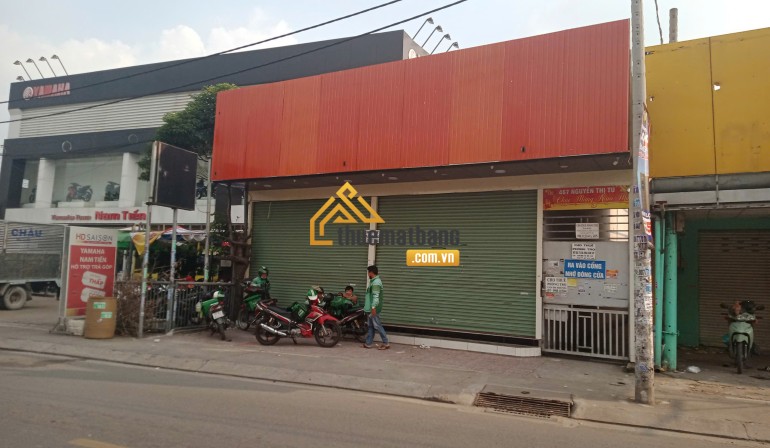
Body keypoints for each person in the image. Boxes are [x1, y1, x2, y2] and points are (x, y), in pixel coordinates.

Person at [363, 265, 389, 350]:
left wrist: (373, 307)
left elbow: (376, 296)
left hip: (374, 309)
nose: (368, 274)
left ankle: (385, 343)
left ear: (371, 272)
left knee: (377, 326)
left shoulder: (376, 283)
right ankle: (368, 343)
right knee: (371, 326)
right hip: (371, 308)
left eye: (368, 272)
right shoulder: (374, 281)